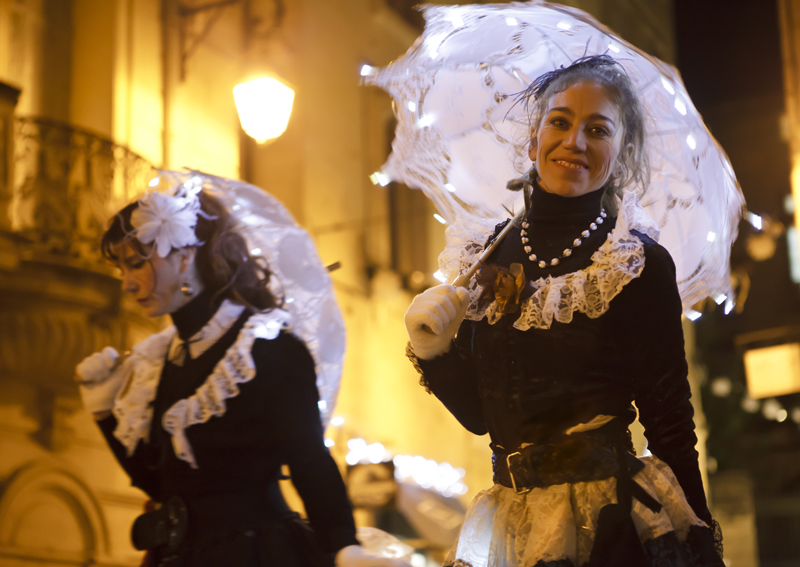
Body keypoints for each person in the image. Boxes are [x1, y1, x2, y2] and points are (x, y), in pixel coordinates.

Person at [404, 56, 724, 567]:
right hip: (512, 522)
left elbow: (670, 423)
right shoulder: (482, 259)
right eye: (560, 122)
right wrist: (433, 349)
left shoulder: (634, 265)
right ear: (533, 139)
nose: (574, 141)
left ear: (620, 155)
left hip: (611, 523)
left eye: (597, 129)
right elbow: (481, 418)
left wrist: (699, 542)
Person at [76, 180, 404, 567]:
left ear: (184, 256)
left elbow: (309, 460)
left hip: (254, 553)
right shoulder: (159, 361)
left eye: (136, 264)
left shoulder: (266, 349)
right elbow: (159, 483)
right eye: (121, 267)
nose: (128, 283)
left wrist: (342, 545)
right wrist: (104, 409)